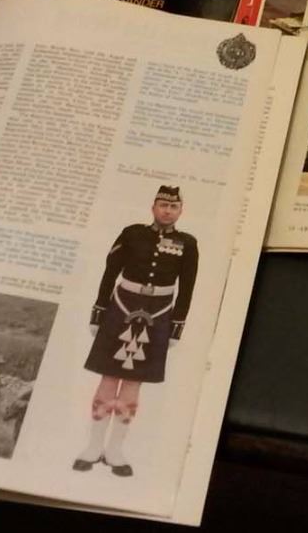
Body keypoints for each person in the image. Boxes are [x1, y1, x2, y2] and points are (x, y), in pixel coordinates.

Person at [73, 185, 199, 478]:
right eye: (163, 205)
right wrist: (99, 311)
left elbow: (187, 287)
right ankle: (93, 447)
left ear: (181, 211)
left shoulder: (188, 243)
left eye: (174, 206)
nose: (167, 211)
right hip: (121, 306)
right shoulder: (132, 233)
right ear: (153, 207)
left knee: (133, 383)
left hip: (159, 313)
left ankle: (115, 451)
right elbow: (109, 273)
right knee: (108, 378)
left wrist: (177, 325)